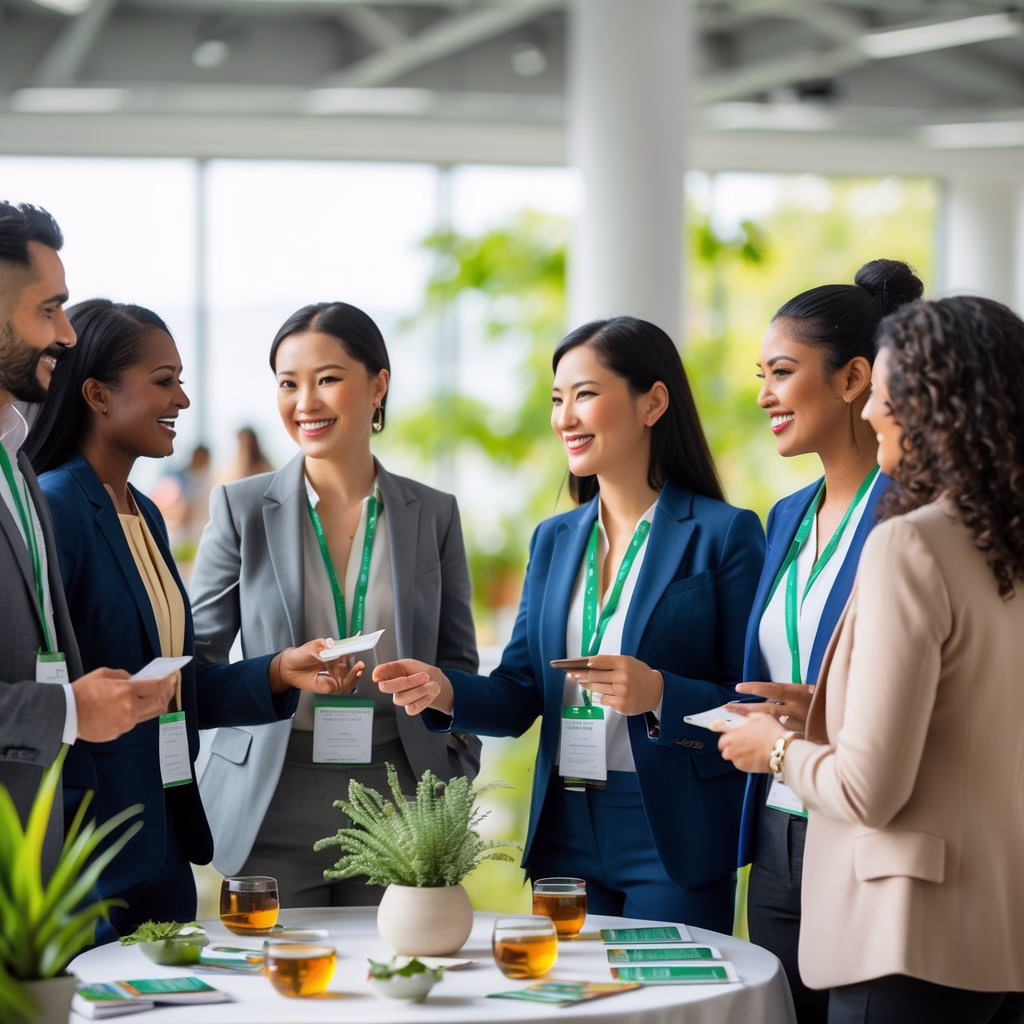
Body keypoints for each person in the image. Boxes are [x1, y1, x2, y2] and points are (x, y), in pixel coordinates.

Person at [373, 316, 765, 930]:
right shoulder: (554, 539)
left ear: (653, 403)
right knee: (570, 984)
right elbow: (519, 693)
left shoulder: (723, 533)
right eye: (557, 400)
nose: (565, 418)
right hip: (565, 826)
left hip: (671, 832)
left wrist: (660, 693)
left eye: (585, 394)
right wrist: (444, 691)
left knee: (663, 988)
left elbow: (750, 701)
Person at [717, 295, 1024, 1023]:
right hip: (997, 927)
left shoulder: (909, 541)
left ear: (932, 404)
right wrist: (827, 712)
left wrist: (773, 749)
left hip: (903, 929)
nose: (876, 412)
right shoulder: (1000, 538)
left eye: (886, 392)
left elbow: (868, 792)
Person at [22, 298, 352, 938]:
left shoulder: (143, 512)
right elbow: (45, 688)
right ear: (97, 394)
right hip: (94, 849)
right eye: (163, 381)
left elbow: (174, 685)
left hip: (165, 835)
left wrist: (280, 671)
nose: (183, 399)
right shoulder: (57, 509)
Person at [190, 300, 481, 907]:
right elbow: (201, 665)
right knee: (275, 970)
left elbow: (458, 661)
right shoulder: (241, 510)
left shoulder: (434, 513)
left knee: (393, 968)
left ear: (378, 386)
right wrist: (277, 672)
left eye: (327, 379)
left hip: (401, 796)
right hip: (271, 792)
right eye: (288, 383)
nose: (305, 403)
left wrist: (458, 756)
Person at [725, 259, 924, 1023]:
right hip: (777, 829)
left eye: (781, 373)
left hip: (865, 828)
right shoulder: (785, 517)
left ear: (853, 380)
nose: (764, 395)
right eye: (763, 376)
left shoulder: (912, 516)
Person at [0, 201, 175, 875]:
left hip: (46, 847)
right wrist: (67, 708)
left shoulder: (16, 466)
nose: (66, 334)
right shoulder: (56, 491)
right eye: (49, 310)